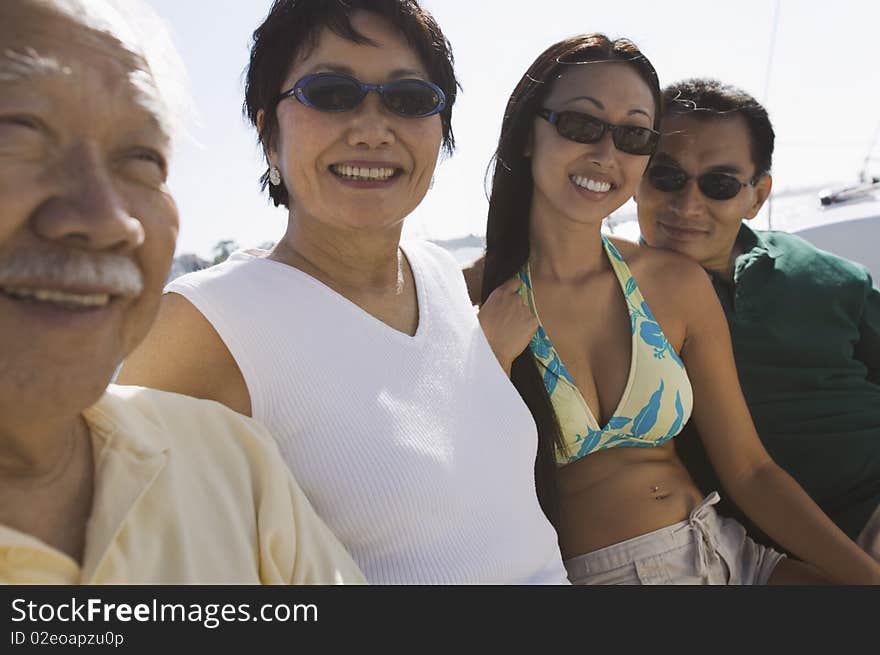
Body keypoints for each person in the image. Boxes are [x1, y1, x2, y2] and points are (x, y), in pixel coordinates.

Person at [118, 0, 568, 585]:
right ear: (267, 133)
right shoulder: (210, 325)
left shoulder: (440, 277)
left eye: (409, 100)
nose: (373, 128)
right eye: (330, 93)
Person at [473, 33, 880, 584]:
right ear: (526, 133)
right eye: (580, 124)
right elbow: (455, 493)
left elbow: (752, 471)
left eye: (634, 135)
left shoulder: (676, 283)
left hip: (731, 553)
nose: (606, 153)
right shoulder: (469, 299)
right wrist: (488, 358)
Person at [0, 0, 365, 585]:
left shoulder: (230, 463)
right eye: (15, 131)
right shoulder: (212, 317)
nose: (108, 218)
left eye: (141, 159)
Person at [634, 78, 880, 562]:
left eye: (720, 185)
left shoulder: (828, 275)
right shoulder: (611, 299)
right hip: (776, 553)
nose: (688, 205)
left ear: (757, 196)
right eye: (666, 177)